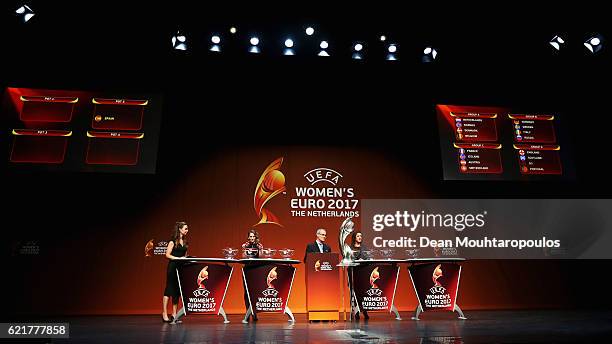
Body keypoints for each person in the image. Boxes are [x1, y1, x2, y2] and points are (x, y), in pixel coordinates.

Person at [162, 221, 189, 324]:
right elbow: (167, 255)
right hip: (173, 267)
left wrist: (187, 259)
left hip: (181, 268)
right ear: (180, 229)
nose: (187, 230)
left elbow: (185, 255)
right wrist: (178, 258)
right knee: (169, 289)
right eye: (185, 228)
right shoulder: (173, 241)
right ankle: (164, 313)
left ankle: (174, 315)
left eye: (187, 228)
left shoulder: (185, 242)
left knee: (177, 291)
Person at [241, 229, 263, 322]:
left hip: (256, 269)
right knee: (247, 292)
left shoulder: (259, 245)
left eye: (253, 236)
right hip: (247, 269)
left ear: (256, 237)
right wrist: (244, 249)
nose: (252, 238)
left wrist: (261, 249)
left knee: (255, 292)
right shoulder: (245, 245)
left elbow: (261, 257)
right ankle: (248, 312)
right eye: (250, 236)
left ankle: (254, 313)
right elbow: (243, 257)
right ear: (248, 237)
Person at [348, 230, 369, 320]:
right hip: (353, 271)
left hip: (362, 272)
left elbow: (368, 258)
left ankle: (364, 311)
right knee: (354, 292)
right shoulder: (350, 247)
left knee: (363, 292)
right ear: (354, 238)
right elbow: (348, 258)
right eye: (358, 236)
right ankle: (355, 311)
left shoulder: (364, 247)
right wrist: (357, 258)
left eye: (361, 236)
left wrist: (363, 259)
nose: (360, 237)